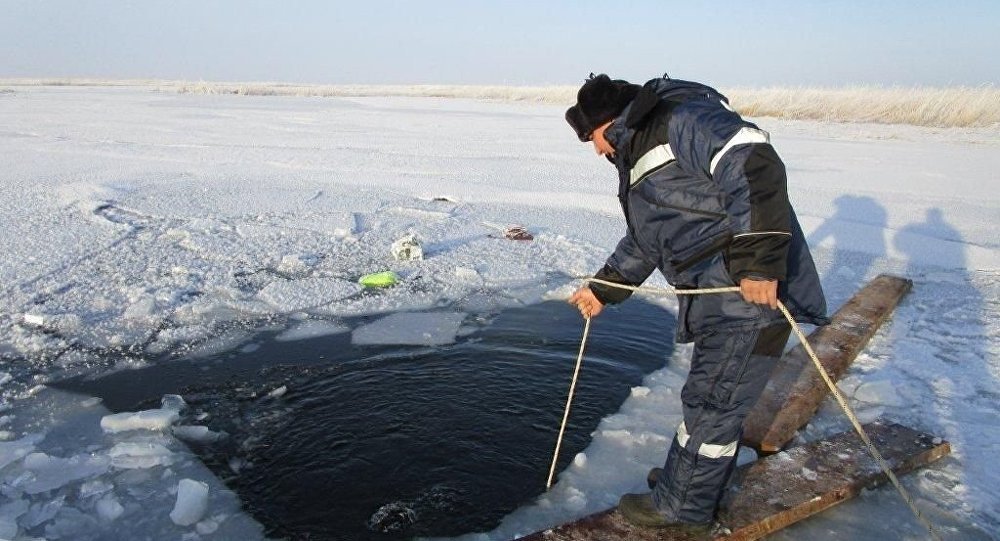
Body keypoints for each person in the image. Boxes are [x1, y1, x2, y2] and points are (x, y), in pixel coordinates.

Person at [565, 74, 828, 531]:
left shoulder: (680, 119)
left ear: (610, 122)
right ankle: (684, 483)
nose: (597, 150)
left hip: (741, 295)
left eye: (593, 138)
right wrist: (603, 288)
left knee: (713, 404)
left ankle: (683, 509)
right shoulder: (643, 150)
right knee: (708, 399)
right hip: (721, 295)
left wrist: (759, 261)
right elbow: (648, 239)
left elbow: (751, 158)